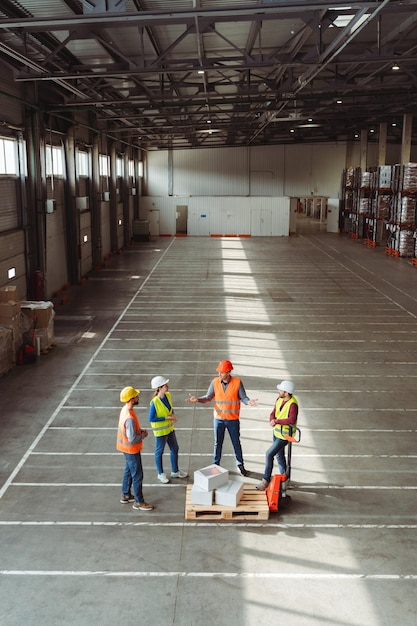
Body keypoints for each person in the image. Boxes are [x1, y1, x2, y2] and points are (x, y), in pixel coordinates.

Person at [186, 359, 257, 476]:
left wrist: (248, 402)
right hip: (218, 419)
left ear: (228, 372)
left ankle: (240, 465)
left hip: (232, 420)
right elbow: (208, 397)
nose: (219, 374)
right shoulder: (215, 382)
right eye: (219, 372)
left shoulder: (237, 383)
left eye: (222, 372)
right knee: (217, 443)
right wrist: (198, 399)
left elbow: (243, 397)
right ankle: (215, 465)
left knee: (236, 443)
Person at [116, 386, 154, 510]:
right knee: (137, 475)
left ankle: (125, 494)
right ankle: (139, 502)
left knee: (128, 470)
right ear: (132, 399)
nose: (138, 397)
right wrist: (143, 435)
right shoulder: (130, 418)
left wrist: (138, 431)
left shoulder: (125, 410)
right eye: (136, 396)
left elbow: (130, 432)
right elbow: (132, 439)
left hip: (124, 448)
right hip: (131, 450)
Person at [256, 380, 298, 490]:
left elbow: (291, 420)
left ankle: (266, 480)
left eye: (280, 390)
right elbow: (273, 412)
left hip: (285, 436)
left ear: (287, 392)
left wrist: (277, 421)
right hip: (276, 433)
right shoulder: (279, 399)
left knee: (269, 454)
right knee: (279, 456)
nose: (278, 391)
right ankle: (285, 478)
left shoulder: (292, 404)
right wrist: (271, 420)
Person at [149, 375, 188, 484]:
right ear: (159, 388)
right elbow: (151, 418)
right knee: (159, 452)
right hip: (161, 432)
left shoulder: (168, 396)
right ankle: (160, 474)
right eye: (165, 385)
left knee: (175, 448)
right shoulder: (154, 402)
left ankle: (175, 471)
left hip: (170, 429)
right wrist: (166, 418)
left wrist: (173, 415)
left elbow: (170, 408)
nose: (167, 386)